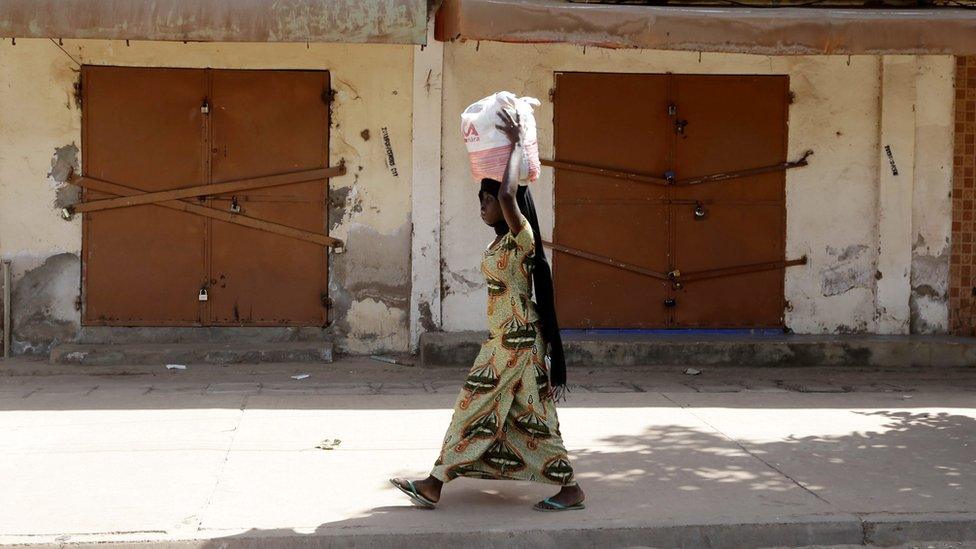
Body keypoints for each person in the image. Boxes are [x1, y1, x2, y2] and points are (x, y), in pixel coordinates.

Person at [391, 109, 585, 512]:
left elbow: (510, 194)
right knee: (532, 417)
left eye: (487, 199)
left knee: (472, 405)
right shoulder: (501, 244)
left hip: (514, 344)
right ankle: (569, 489)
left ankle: (433, 483)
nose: (483, 205)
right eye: (481, 198)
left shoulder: (522, 238)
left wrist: (514, 143)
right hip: (508, 341)